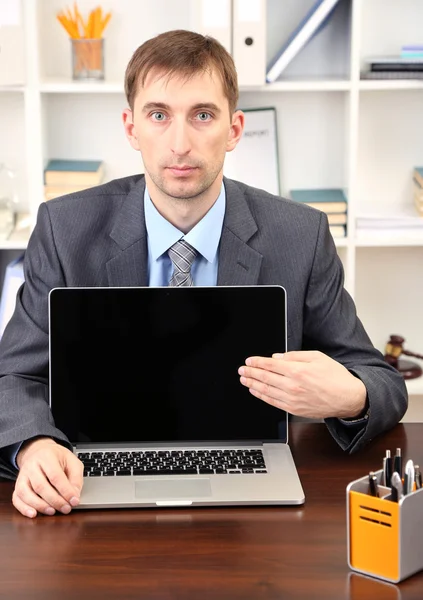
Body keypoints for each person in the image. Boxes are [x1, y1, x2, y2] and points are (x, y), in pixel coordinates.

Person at [0, 29, 407, 518]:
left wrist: (351, 395)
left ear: (234, 129)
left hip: (251, 478)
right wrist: (34, 446)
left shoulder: (300, 235)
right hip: (89, 471)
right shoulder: (65, 229)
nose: (179, 143)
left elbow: (383, 382)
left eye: (202, 115)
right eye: (158, 115)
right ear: (131, 127)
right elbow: (12, 374)